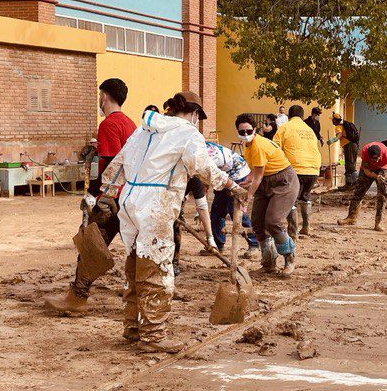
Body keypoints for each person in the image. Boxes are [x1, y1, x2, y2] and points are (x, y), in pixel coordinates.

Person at [95, 92, 249, 352]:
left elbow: (117, 165)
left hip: (130, 201)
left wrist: (108, 192)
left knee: (135, 264)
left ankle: (132, 325)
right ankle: (153, 335)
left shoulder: (145, 129)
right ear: (194, 113)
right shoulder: (188, 133)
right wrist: (231, 185)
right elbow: (203, 167)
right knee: (157, 267)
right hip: (156, 203)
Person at [45, 78, 137, 315]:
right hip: (129, 198)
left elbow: (108, 164)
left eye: (100, 96)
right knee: (135, 250)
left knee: (91, 245)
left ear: (104, 97)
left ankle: (77, 297)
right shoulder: (131, 124)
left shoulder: (108, 125)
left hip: (109, 198)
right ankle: (135, 300)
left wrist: (92, 194)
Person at [236, 113, 299, 275]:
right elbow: (256, 170)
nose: (245, 135)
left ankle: (289, 257)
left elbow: (258, 176)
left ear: (255, 130)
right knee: (257, 222)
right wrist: (247, 180)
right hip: (265, 183)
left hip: (283, 182)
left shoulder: (258, 145)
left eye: (248, 131)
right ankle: (269, 262)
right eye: (242, 132)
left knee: (273, 221)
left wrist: (248, 196)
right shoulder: (247, 145)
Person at [273, 104, 322, 238]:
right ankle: (306, 227)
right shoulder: (309, 130)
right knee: (305, 197)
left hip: (296, 169)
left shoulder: (284, 128)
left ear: (289, 116)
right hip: (313, 169)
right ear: (301, 116)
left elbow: (275, 149)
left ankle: (292, 232)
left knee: (291, 200)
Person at [337, 141, 387, 232]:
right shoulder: (365, 152)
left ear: (381, 156)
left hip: (382, 168)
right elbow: (366, 171)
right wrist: (376, 176)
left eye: (377, 159)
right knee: (359, 192)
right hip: (368, 170)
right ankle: (351, 217)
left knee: (383, 195)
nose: (376, 161)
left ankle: (378, 223)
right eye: (374, 159)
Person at [206, 141, 259, 256]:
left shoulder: (206, 156)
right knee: (217, 212)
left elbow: (209, 176)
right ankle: (218, 245)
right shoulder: (196, 149)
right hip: (223, 175)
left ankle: (254, 244)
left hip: (238, 174)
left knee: (237, 212)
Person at [331, 113, 361, 186]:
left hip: (349, 145)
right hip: (354, 145)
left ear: (335, 120)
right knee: (351, 164)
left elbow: (339, 135)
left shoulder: (338, 126)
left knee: (349, 164)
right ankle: (349, 183)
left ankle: (354, 183)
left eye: (332, 120)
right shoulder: (344, 126)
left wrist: (332, 140)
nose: (332, 121)